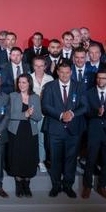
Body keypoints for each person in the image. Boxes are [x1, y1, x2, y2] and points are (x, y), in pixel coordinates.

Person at [41, 63, 86, 198]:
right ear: (58, 72)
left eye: (67, 72)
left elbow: (84, 106)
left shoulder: (79, 86)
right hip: (55, 129)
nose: (64, 75)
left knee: (71, 159)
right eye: (62, 72)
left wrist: (71, 113)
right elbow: (45, 106)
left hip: (73, 129)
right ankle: (56, 185)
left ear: (71, 72)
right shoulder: (49, 86)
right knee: (55, 159)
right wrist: (61, 115)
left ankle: (68, 185)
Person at [82, 70, 106, 199]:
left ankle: (102, 186)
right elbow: (86, 112)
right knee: (91, 160)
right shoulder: (89, 93)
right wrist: (97, 113)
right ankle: (87, 186)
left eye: (103, 78)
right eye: (99, 78)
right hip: (94, 130)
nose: (101, 81)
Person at [7, 75, 43, 198]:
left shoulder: (35, 97)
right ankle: (18, 184)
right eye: (20, 82)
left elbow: (38, 117)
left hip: (30, 131)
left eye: (24, 82)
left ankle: (26, 184)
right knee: (17, 156)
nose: (21, 85)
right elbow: (9, 114)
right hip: (16, 132)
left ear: (29, 84)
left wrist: (31, 115)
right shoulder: (12, 96)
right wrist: (25, 114)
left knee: (29, 156)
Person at [30, 56, 53, 172]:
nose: (39, 68)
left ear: (45, 66)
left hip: (45, 114)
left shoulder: (50, 79)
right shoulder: (29, 78)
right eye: (36, 65)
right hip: (31, 114)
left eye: (41, 66)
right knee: (31, 138)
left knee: (42, 139)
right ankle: (31, 160)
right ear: (33, 66)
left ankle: (41, 161)